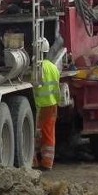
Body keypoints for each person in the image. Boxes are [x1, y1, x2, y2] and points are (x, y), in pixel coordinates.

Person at [33, 38, 60, 170]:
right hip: (52, 104)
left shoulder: (36, 68)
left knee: (35, 133)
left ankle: (35, 162)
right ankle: (47, 162)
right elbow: (56, 87)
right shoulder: (53, 67)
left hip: (39, 105)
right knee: (49, 133)